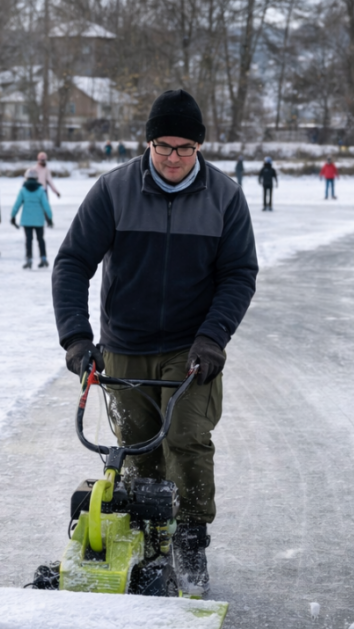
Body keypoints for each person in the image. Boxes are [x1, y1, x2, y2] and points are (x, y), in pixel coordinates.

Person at [51, 89, 258, 594]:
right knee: (137, 450)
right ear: (148, 143)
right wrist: (76, 337)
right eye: (163, 146)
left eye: (185, 147)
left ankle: (190, 537)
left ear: (199, 146)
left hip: (192, 348)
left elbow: (238, 274)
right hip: (126, 344)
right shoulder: (113, 190)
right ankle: (147, 538)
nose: (172, 157)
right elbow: (72, 263)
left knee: (186, 439)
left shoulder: (224, 196)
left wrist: (213, 338)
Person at [11, 168, 53, 269]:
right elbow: (46, 205)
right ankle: (43, 258)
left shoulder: (23, 190)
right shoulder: (41, 190)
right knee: (40, 239)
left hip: (27, 220)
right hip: (39, 220)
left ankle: (29, 259)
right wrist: (50, 218)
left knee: (28, 240)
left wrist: (13, 216)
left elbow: (17, 204)